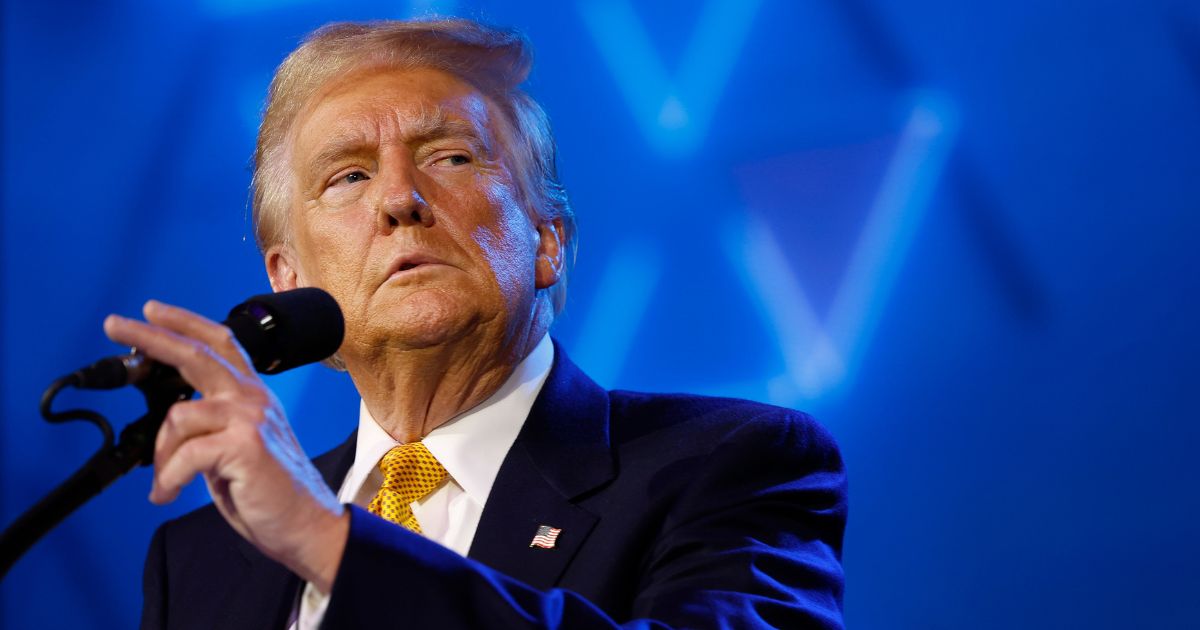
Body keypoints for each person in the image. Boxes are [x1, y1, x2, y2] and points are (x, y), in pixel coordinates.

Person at [108, 18, 847, 629]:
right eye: (349, 177)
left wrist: (331, 545)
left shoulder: (730, 466)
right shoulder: (198, 562)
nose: (399, 197)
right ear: (289, 281)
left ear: (547, 241)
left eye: (452, 156)